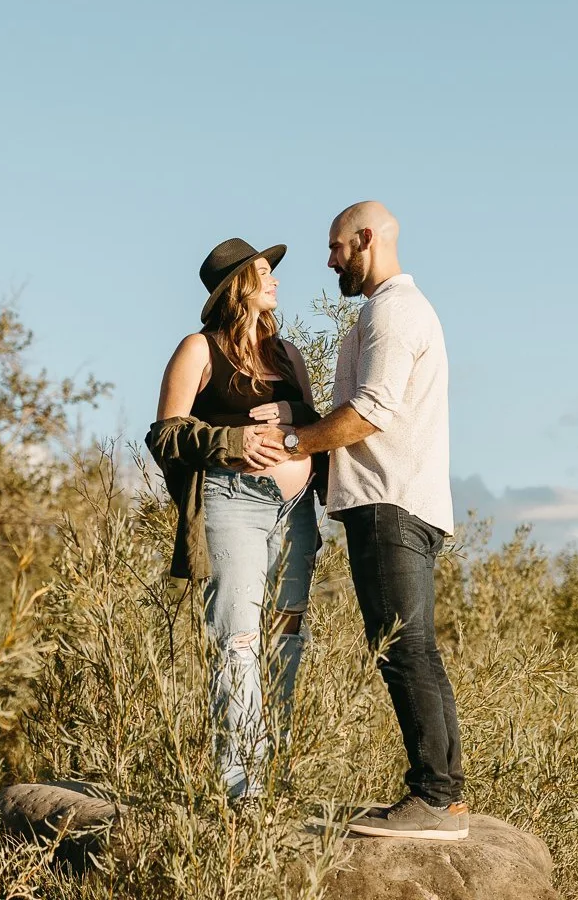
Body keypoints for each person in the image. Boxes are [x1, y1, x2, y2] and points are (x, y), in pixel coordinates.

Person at [256, 201, 467, 840]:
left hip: (387, 502)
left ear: (365, 239)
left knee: (403, 649)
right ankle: (443, 796)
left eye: (335, 247)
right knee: (414, 647)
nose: (329, 261)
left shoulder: (391, 312)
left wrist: (291, 444)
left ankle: (434, 799)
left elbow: (372, 410)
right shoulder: (398, 310)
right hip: (404, 501)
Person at [145, 237, 327, 803]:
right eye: (265, 272)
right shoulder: (198, 348)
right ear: (238, 286)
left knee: (286, 638)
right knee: (240, 640)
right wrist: (233, 441)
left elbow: (316, 426)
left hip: (296, 512)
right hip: (233, 503)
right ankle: (242, 786)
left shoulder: (288, 355)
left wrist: (295, 410)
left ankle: (279, 778)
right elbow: (164, 436)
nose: (275, 280)